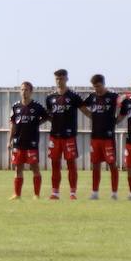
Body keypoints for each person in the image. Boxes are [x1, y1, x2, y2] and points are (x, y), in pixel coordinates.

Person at [44, 69, 86, 200]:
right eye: (57, 78)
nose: (59, 81)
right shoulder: (50, 98)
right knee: (55, 164)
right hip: (54, 136)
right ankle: (55, 192)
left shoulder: (73, 96)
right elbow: (50, 115)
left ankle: (73, 193)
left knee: (71, 164)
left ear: (67, 79)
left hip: (69, 136)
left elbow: (85, 111)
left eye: (61, 78)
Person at [7, 81, 48, 201]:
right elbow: (13, 125)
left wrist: (37, 123)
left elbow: (47, 116)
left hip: (32, 143)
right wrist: (9, 140)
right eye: (22, 90)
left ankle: (36, 194)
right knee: (18, 169)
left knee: (35, 168)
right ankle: (17, 194)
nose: (24, 92)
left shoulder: (37, 106)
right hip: (18, 143)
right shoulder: (15, 107)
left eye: (26, 90)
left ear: (31, 92)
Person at [83, 74, 121, 200]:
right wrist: (89, 114)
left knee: (112, 164)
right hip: (95, 137)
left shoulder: (113, 96)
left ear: (104, 84)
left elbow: (125, 105)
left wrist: (117, 120)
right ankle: (95, 193)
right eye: (94, 87)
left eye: (98, 86)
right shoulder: (92, 97)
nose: (96, 89)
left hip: (108, 137)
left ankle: (114, 193)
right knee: (95, 164)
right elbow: (82, 105)